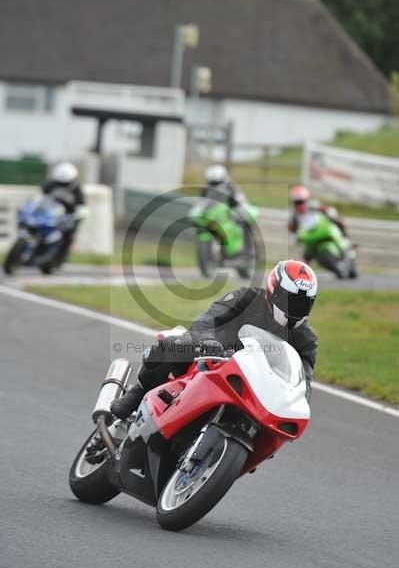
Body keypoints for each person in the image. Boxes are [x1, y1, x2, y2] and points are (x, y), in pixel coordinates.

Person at [111, 260, 318, 421]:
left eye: (302, 304)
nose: (295, 309)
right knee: (174, 346)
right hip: (211, 357)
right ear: (275, 291)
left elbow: (302, 382)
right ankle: (138, 392)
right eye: (291, 300)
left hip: (256, 385)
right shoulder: (247, 298)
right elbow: (206, 320)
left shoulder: (305, 339)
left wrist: (298, 405)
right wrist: (208, 340)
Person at [42, 162, 87, 264]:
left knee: (69, 234)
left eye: (64, 183)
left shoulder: (76, 189)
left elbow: (82, 205)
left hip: (65, 216)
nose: (61, 185)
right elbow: (42, 196)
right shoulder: (50, 184)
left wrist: (78, 214)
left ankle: (60, 257)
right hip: (48, 213)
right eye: (59, 183)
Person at [202, 164, 251, 228]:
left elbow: (238, 201)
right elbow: (202, 202)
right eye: (212, 182)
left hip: (231, 212)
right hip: (215, 214)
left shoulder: (230, 188)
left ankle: (245, 234)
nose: (214, 185)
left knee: (243, 218)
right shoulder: (206, 189)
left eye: (216, 182)